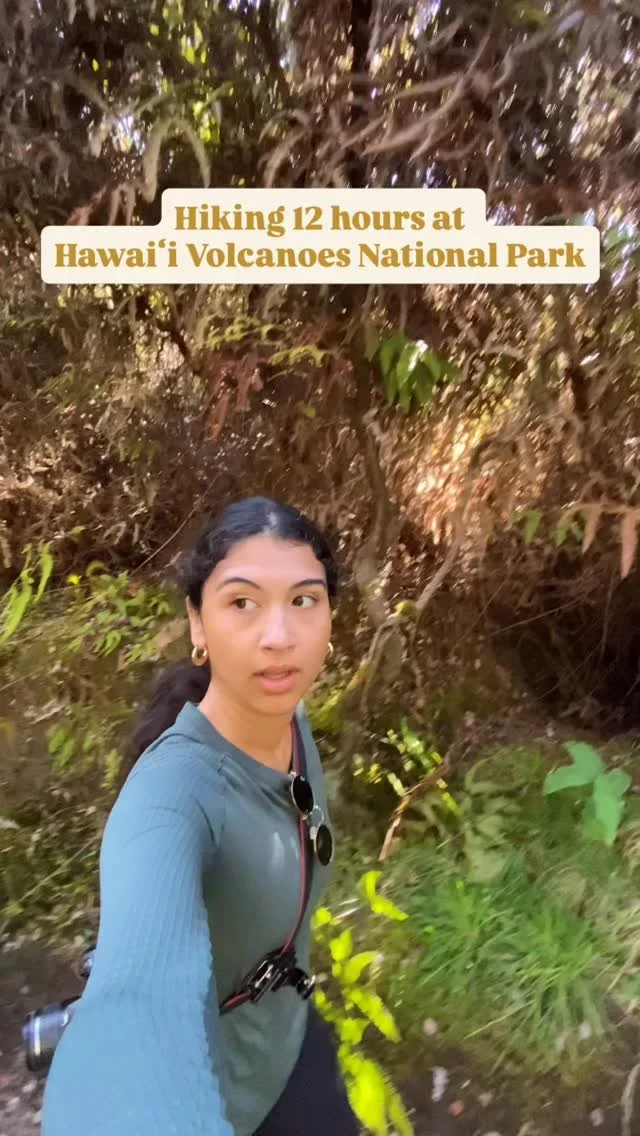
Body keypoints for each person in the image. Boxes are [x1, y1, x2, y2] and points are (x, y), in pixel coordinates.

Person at [41, 496, 360, 1136]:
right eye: (242, 602)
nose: (279, 635)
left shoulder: (292, 720)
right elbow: (133, 1016)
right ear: (197, 622)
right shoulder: (170, 795)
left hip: (288, 1039)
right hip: (222, 1102)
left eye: (304, 599)